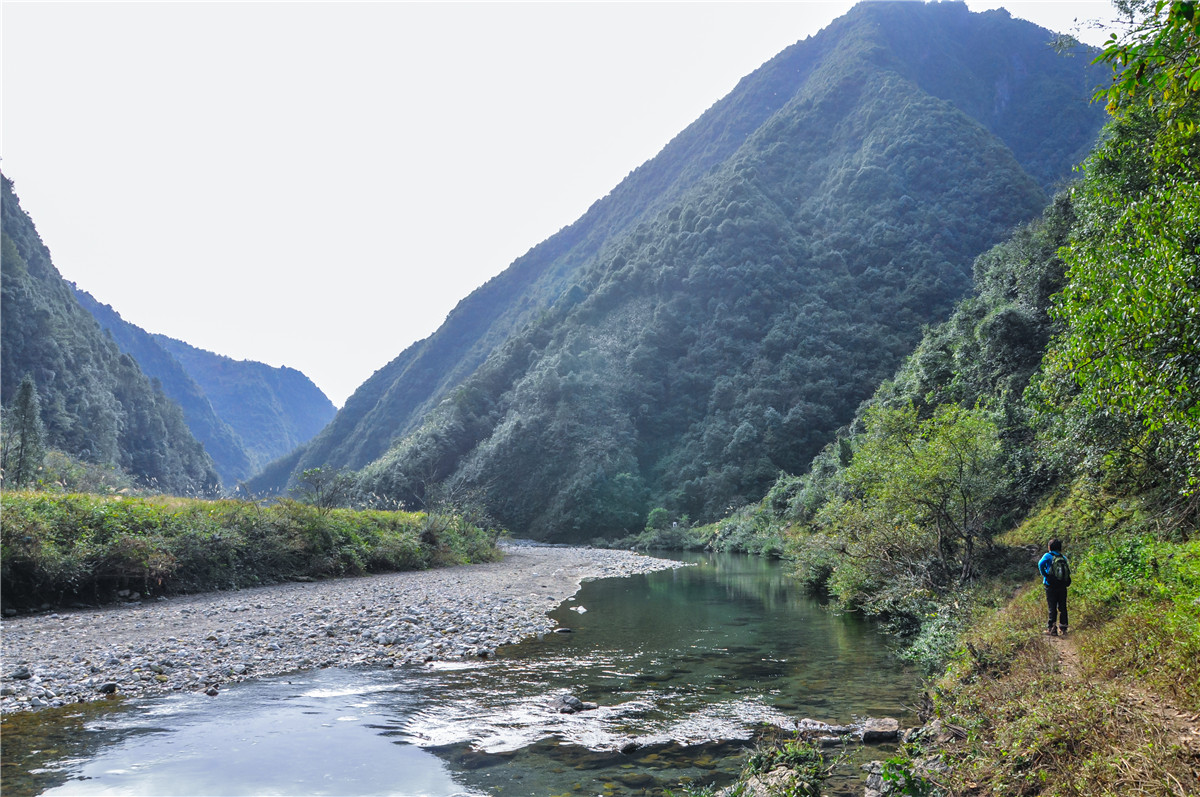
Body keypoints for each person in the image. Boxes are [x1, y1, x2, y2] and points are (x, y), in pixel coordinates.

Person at [1038, 538, 1070, 637]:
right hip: (1062, 585)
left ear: (1049, 547)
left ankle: (1052, 629)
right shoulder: (1063, 557)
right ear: (1060, 548)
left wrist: (1046, 575)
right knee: (1062, 606)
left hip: (1050, 585)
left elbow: (1040, 564)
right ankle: (1064, 628)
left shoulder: (1048, 556)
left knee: (1052, 607)